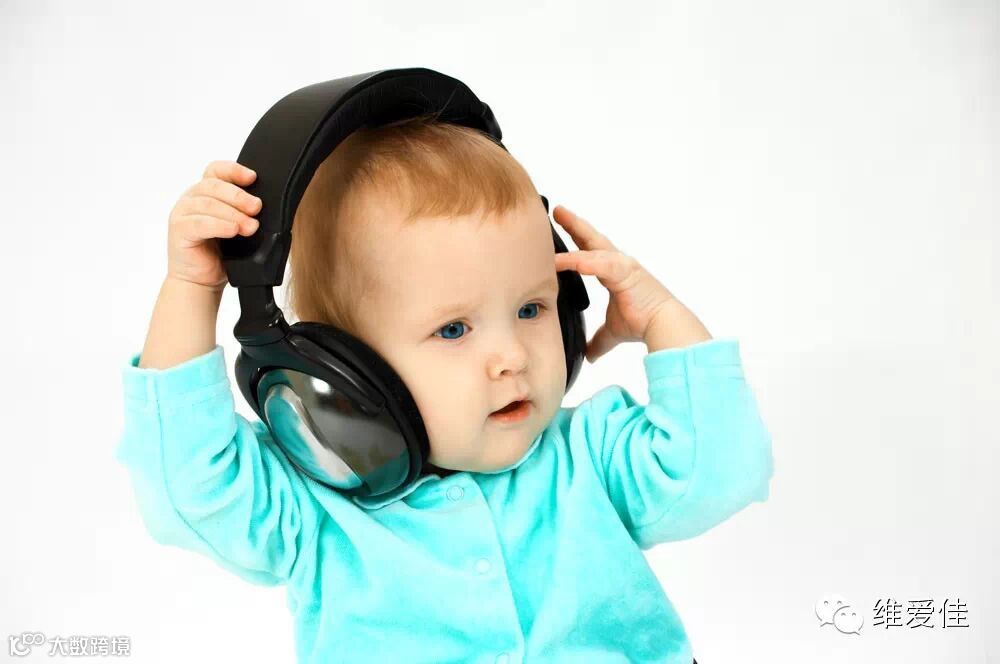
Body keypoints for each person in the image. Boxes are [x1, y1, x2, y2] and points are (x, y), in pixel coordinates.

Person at [116, 114, 773, 663]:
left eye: (531, 308)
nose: (512, 357)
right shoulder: (315, 506)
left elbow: (722, 469)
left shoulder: (593, 456)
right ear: (345, 369)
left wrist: (661, 319)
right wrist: (192, 287)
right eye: (453, 329)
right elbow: (190, 489)